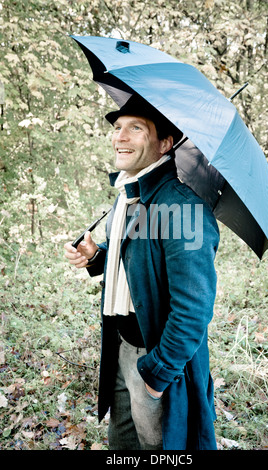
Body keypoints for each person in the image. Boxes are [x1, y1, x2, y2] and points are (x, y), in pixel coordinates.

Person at [64, 94, 220, 450]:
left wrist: (156, 375)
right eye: (118, 127)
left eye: (136, 128)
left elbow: (194, 310)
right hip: (122, 346)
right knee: (123, 445)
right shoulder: (129, 195)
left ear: (165, 143)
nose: (120, 136)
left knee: (162, 449)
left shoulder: (183, 209)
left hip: (156, 360)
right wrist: (96, 255)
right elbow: (138, 256)